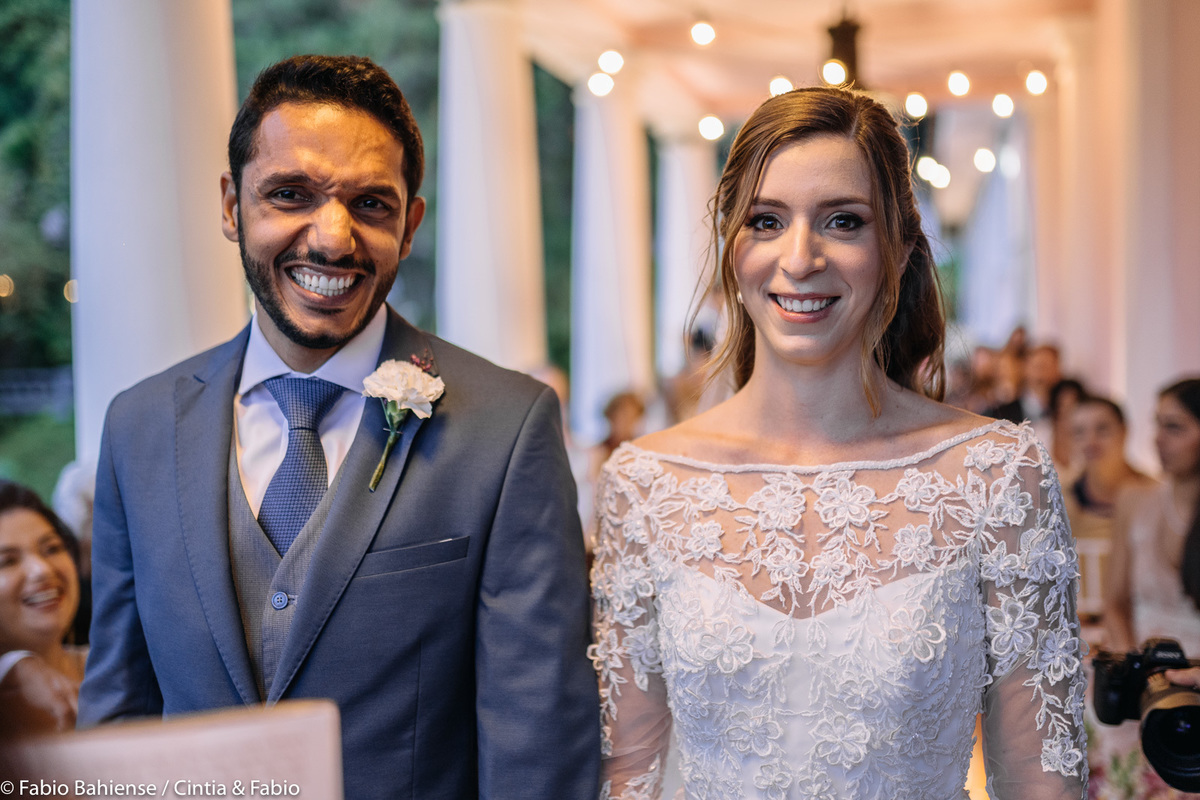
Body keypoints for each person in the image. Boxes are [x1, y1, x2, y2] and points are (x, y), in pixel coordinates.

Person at [77, 55, 599, 799]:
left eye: (371, 204)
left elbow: (536, 743)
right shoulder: (139, 427)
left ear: (410, 226)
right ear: (231, 206)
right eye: (290, 194)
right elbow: (119, 714)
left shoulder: (507, 428)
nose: (331, 239)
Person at [589, 86, 1086, 799]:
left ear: (899, 248)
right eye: (766, 220)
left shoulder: (997, 476)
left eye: (843, 222)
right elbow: (626, 777)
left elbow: (1043, 781)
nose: (799, 258)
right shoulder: (644, 485)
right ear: (731, 245)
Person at [1093, 378, 1200, 797]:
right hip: (1141, 663)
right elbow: (1115, 602)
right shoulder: (1135, 500)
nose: (1157, 439)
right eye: (1157, 424)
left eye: (1174, 427)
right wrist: (1133, 667)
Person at [0, 481, 85, 737]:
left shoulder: (122, 669)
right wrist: (12, 667)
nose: (42, 570)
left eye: (52, 548)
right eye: (7, 561)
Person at [1062, 394, 1152, 631]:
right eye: (1079, 432)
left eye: (1102, 429)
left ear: (1124, 431)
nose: (1090, 441)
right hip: (1079, 631)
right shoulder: (1057, 500)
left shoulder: (1153, 495)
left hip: (1142, 628)